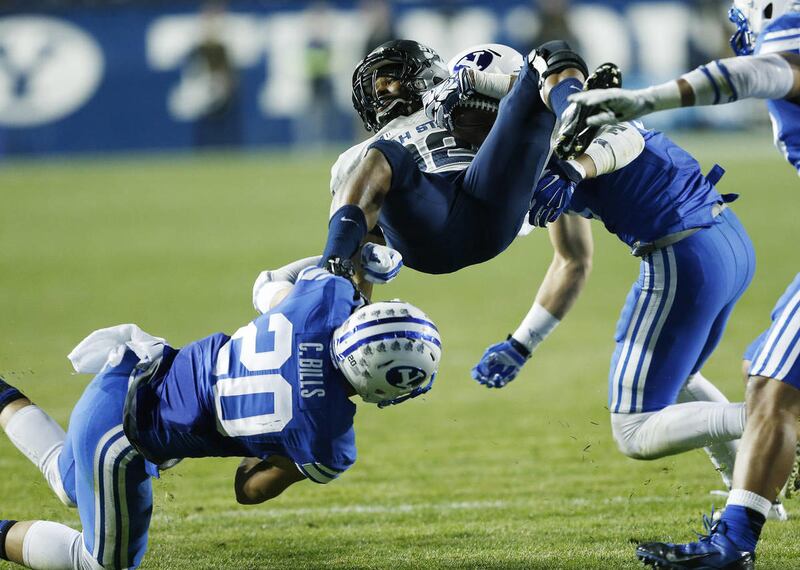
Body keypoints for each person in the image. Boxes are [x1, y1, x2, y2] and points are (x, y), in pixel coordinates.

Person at [559, 1, 800, 567]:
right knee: (766, 382)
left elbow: (764, 73)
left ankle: (732, 546)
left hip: (686, 248)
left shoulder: (788, 27)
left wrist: (648, 98)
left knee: (771, 393)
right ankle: (735, 540)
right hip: (718, 239)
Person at [0, 261, 441, 569]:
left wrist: (351, 271)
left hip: (127, 370)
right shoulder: (328, 441)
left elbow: (268, 283)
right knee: (97, 565)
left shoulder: (322, 304)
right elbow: (247, 489)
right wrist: (270, 442)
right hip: (122, 439)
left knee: (68, 482)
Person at [472, 115, 761, 511]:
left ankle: (774, 415)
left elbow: (616, 141)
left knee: (633, 429)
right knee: (680, 379)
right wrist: (521, 344)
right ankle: (751, 495)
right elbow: (572, 261)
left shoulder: (557, 133)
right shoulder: (557, 131)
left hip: (685, 254)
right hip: (728, 239)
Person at [320, 39, 643, 275]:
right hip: (426, 219)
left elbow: (630, 133)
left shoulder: (462, 100)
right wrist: (352, 294)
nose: (381, 91)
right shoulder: (357, 156)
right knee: (385, 154)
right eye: (374, 89)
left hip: (490, 202)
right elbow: (362, 240)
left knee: (546, 56)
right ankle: (328, 271)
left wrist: (572, 170)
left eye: (387, 79)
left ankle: (573, 107)